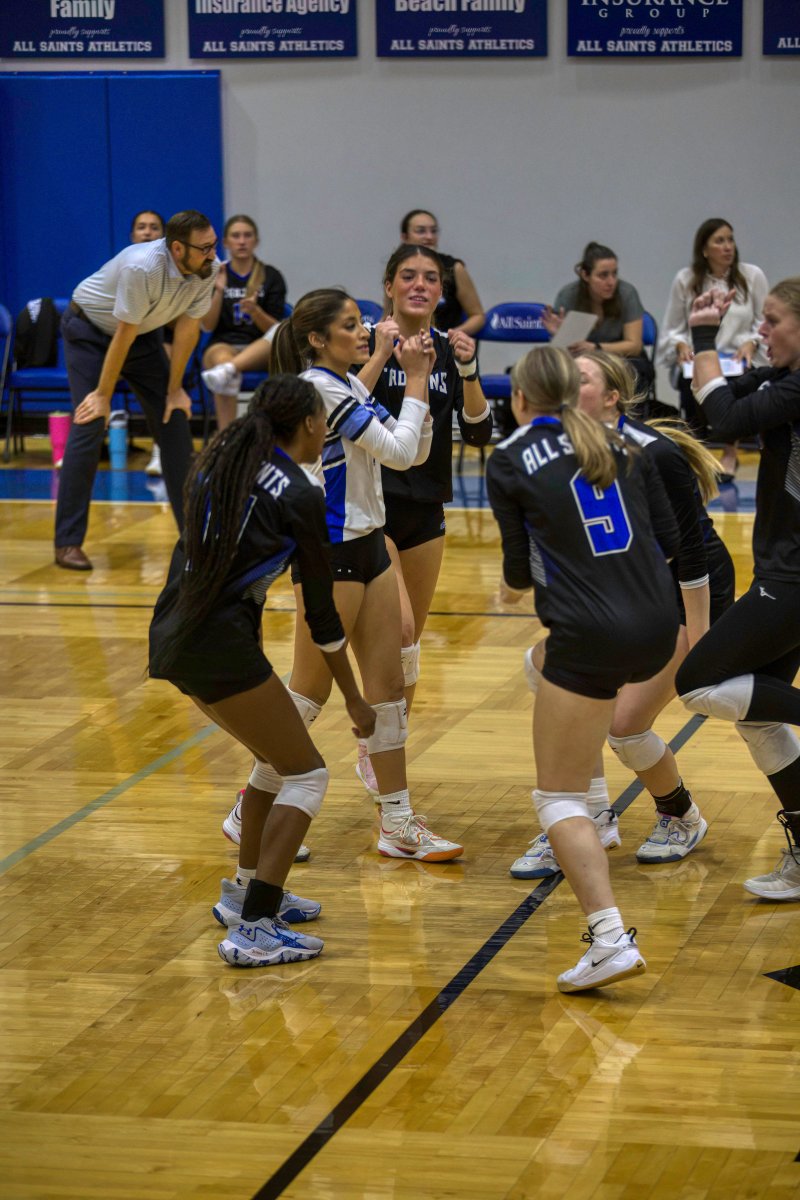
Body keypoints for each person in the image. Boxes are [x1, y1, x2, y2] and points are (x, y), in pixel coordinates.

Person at [222, 288, 464, 862]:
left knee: (388, 691)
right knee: (309, 693)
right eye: (351, 325)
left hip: (370, 545)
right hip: (329, 553)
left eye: (362, 323)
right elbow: (400, 453)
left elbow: (413, 450)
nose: (364, 333)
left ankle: (397, 822)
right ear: (316, 338)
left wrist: (420, 394)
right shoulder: (320, 390)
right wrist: (413, 382)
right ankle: (247, 808)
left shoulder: (350, 384)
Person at [149, 375, 375, 967]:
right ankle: (255, 927)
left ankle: (244, 892)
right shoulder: (300, 492)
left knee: (275, 763)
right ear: (309, 425)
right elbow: (322, 616)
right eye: (323, 420)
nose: (325, 429)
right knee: (309, 775)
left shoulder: (221, 464)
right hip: (217, 647)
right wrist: (354, 697)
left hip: (174, 635)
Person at [487, 345, 681, 991]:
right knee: (543, 670)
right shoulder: (623, 444)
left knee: (556, 797)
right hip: (658, 627)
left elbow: (518, 574)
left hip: (593, 634)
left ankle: (608, 939)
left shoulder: (509, 457)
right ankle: (615, 814)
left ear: (520, 398)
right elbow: (669, 543)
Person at [510, 350, 734, 881]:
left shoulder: (654, 454)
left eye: (582, 380)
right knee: (548, 671)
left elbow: (692, 557)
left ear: (612, 398)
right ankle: (592, 816)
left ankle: (680, 816)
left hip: (682, 593)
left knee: (625, 727)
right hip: (619, 594)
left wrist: (701, 642)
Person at [675, 278, 800, 902]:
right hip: (784, 567)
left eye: (772, 320)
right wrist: (707, 348)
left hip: (794, 577)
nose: (762, 330)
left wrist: (704, 335)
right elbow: (711, 407)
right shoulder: (785, 380)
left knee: (697, 683)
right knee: (759, 718)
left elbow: (723, 415)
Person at [352, 243, 492, 793]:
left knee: (409, 650)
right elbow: (342, 406)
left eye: (430, 278)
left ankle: (385, 745)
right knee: (400, 629)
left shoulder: (447, 350)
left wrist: (469, 369)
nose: (419, 285)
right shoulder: (364, 340)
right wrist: (381, 354)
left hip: (426, 507)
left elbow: (478, 433)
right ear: (389, 285)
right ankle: (374, 742)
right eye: (408, 276)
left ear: (441, 291)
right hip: (372, 509)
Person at [54, 210, 219, 571]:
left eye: (213, 245)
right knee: (89, 422)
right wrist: (102, 395)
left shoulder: (209, 268)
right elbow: (122, 333)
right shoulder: (141, 267)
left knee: (174, 421)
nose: (213, 254)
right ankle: (67, 543)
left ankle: (196, 541)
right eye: (204, 248)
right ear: (178, 249)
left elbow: (188, 329)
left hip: (141, 335)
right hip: (90, 332)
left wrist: (175, 390)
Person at [657, 218, 768, 479]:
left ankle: (730, 452)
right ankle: (698, 451)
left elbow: (764, 321)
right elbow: (672, 327)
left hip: (738, 357)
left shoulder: (752, 276)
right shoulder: (686, 279)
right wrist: (680, 344)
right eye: (720, 241)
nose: (728, 246)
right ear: (704, 249)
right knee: (690, 383)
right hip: (700, 355)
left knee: (741, 382)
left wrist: (752, 342)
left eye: (730, 239)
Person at [200, 214, 287, 431]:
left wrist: (255, 312)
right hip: (224, 344)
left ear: (256, 241)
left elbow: (276, 330)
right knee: (221, 362)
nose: (241, 241)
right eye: (236, 236)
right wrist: (218, 290)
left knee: (227, 370)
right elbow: (207, 326)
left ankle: (230, 369)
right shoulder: (215, 274)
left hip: (260, 347)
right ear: (225, 242)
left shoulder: (271, 276)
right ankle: (228, 436)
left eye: (247, 235)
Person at [544, 242, 653, 396]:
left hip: (622, 359)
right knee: (550, 370)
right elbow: (567, 352)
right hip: (582, 359)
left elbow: (634, 345)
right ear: (585, 275)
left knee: (633, 370)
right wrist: (560, 336)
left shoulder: (626, 293)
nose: (611, 282)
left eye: (614, 274)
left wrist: (596, 348)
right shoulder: (568, 295)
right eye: (603, 275)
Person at [399, 209, 485, 336]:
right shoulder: (397, 268)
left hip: (445, 343)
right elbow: (388, 314)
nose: (429, 237)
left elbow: (478, 316)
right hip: (405, 342)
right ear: (405, 237)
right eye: (421, 231)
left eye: (433, 231)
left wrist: (448, 337)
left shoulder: (454, 268)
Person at [129, 211, 168, 477]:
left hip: (162, 338)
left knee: (162, 367)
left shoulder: (171, 271)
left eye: (154, 227)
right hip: (127, 338)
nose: (147, 232)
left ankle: (160, 448)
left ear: (163, 237)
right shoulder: (124, 267)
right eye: (141, 227)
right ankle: (86, 448)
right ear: (133, 235)